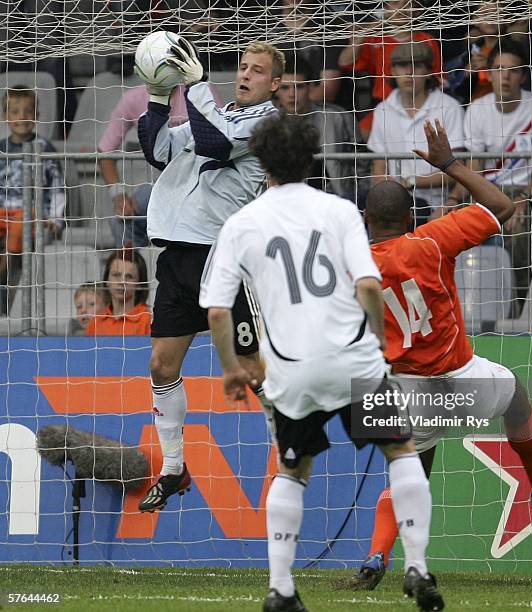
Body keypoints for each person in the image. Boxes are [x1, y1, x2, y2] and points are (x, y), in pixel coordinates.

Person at [200, 112, 444, 612]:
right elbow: (370, 285)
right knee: (400, 452)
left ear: (261, 160)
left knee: (293, 471)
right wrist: (376, 341)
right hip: (353, 361)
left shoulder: (242, 223)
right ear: (311, 159)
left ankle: (281, 587)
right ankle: (416, 566)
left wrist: (229, 368)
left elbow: (219, 310)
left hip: (292, 369)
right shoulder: (338, 211)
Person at [343, 119, 532, 591]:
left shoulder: (355, 265)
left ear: (365, 221)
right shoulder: (433, 239)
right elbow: (502, 205)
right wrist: (449, 164)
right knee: (514, 394)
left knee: (409, 474)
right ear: (411, 218)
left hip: (405, 387)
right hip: (459, 373)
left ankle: (375, 555)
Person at [136, 39, 283, 513]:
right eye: (242, 67)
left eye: (257, 71)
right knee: (161, 366)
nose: (244, 75)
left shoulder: (266, 124)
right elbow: (159, 150)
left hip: (224, 259)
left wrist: (197, 85)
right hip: (178, 256)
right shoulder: (215, 116)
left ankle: (289, 451)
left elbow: (217, 142)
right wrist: (160, 96)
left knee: (252, 371)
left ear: (275, 84)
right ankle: (174, 467)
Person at [446, 38, 532, 306]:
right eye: (498, 69)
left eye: (512, 70)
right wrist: (454, 201)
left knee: (519, 229)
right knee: (450, 223)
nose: (504, 76)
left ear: (522, 75)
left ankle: (520, 306)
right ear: (489, 72)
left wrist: (522, 198)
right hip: (489, 193)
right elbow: (473, 168)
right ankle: (461, 305)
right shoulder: (476, 109)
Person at [367, 41, 464, 223]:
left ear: (428, 72)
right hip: (391, 199)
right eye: (403, 66)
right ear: (393, 72)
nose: (409, 73)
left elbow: (458, 168)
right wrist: (387, 193)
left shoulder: (449, 107)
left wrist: (410, 182)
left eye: (417, 66)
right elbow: (379, 165)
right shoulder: (382, 109)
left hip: (434, 203)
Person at [0, 86, 66, 314]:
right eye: (15, 111)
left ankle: (3, 274)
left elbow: (57, 185)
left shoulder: (45, 148)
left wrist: (57, 219)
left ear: (37, 116)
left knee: (19, 225)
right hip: (2, 213)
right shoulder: (1, 149)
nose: (22, 117)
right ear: (5, 116)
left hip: (31, 213)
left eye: (28, 111)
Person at [98, 84, 189, 248]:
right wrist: (119, 196)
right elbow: (105, 150)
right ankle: (133, 269)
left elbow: (220, 133)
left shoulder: (198, 91)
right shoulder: (132, 98)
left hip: (197, 183)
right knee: (122, 218)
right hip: (160, 186)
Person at [275, 53, 370, 206]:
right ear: (276, 89)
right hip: (288, 203)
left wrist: (354, 199)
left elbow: (363, 167)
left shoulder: (338, 117)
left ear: (311, 86)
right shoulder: (270, 124)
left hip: (339, 199)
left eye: (299, 86)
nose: (292, 94)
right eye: (285, 87)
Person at [338, 0, 442, 137]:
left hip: (420, 105)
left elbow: (439, 79)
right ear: (385, 9)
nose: (401, 9)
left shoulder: (427, 40)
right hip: (384, 105)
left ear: (416, 10)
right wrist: (363, 34)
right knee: (362, 134)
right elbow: (345, 62)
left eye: (407, 4)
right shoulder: (376, 39)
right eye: (395, 3)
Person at [86, 249, 151, 336]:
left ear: (140, 285)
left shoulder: (149, 320)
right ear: (107, 281)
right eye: (116, 275)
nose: (122, 282)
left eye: (129, 276)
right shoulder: (95, 322)